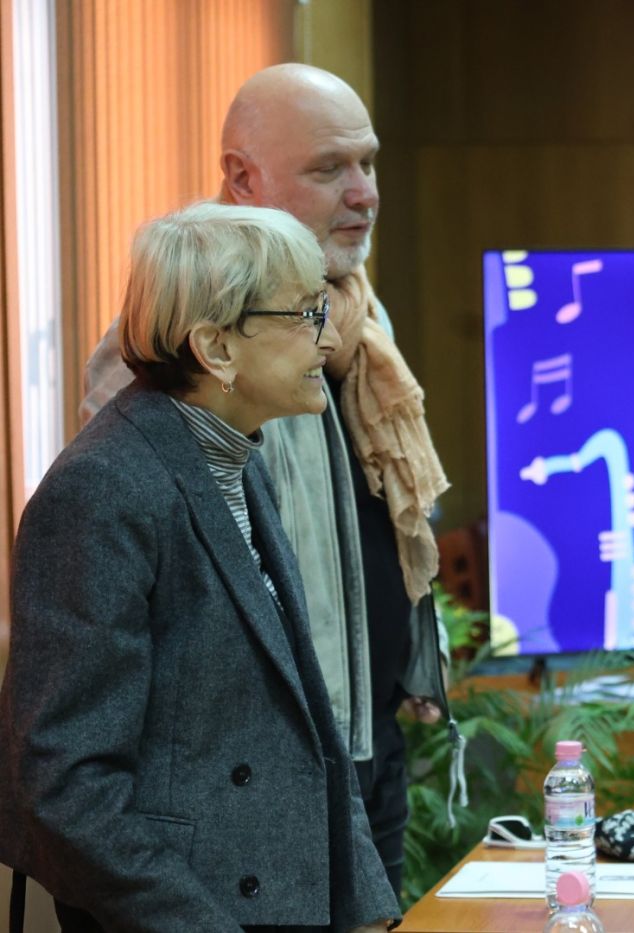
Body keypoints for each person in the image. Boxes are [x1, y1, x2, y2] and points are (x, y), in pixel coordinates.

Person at [81, 64, 456, 895]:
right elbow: (143, 553)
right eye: (329, 168)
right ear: (243, 179)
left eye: (369, 162)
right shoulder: (177, 342)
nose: (364, 193)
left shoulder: (358, 316)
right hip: (258, 783)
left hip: (366, 752)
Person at [0, 201, 401, 932]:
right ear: (216, 347)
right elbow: (66, 786)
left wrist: (369, 909)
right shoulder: (100, 491)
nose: (329, 335)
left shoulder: (239, 459)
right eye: (305, 313)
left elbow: (309, 722)